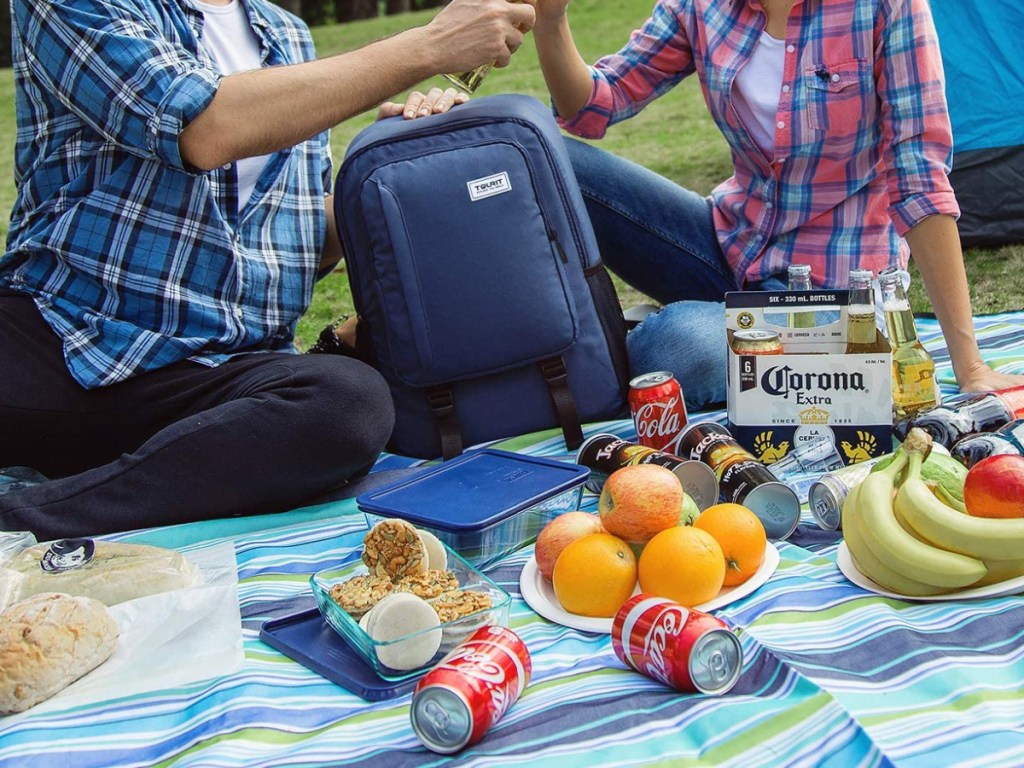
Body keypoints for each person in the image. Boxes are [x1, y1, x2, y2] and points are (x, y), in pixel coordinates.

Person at [0, 0, 536, 540]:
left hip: (207, 380)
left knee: (347, 404)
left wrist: (388, 169)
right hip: (63, 339)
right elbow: (205, 126)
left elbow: (298, 238)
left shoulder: (286, 33)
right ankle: (148, 484)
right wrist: (429, 45)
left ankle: (30, 518)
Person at [531, 0, 1024, 410]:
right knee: (549, 157)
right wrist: (552, 20)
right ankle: (708, 325)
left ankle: (636, 344)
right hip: (731, 243)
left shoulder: (885, 6)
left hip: (831, 292)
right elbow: (594, 105)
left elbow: (919, 181)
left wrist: (970, 365)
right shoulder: (701, 6)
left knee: (679, 346)